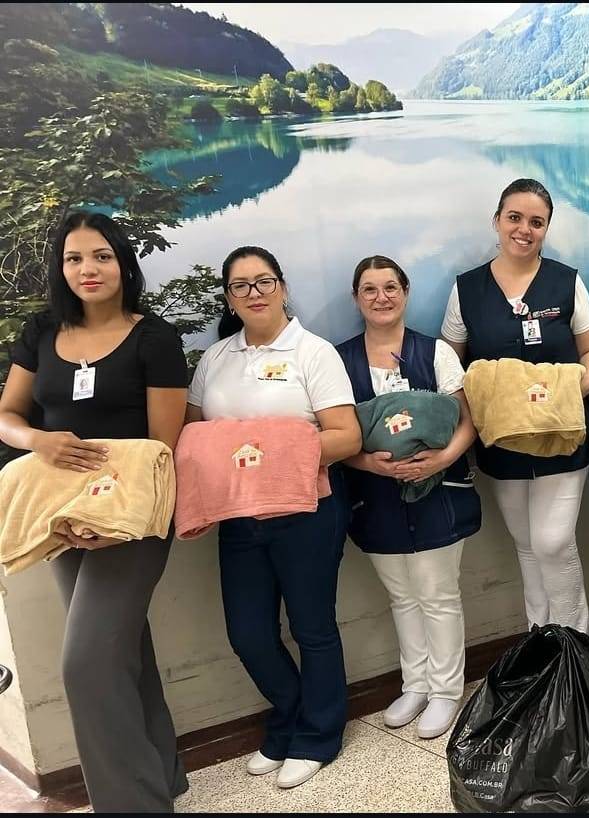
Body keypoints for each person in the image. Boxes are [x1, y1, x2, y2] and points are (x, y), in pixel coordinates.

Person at [0, 211, 189, 812]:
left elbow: (163, 449)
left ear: (123, 263)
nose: (89, 268)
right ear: (62, 268)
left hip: (129, 522)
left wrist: (120, 524)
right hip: (63, 519)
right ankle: (161, 780)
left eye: (102, 256)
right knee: (121, 652)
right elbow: (7, 416)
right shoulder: (41, 331)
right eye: (76, 258)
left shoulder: (154, 338)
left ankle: (130, 806)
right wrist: (38, 441)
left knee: (86, 664)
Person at [186, 247, 362, 788]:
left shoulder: (314, 352)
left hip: (306, 511)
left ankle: (318, 734)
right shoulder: (214, 359)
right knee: (249, 634)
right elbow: (195, 440)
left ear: (283, 288)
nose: (254, 293)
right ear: (229, 298)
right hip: (239, 519)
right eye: (241, 286)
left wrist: (271, 452)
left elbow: (347, 437)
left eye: (264, 281)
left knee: (313, 629)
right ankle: (289, 715)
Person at [442, 178, 589, 634]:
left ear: (546, 228)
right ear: (497, 221)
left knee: (553, 543)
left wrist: (577, 389)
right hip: (502, 441)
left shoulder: (566, 282)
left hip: (561, 435)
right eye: (515, 218)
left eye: (537, 222)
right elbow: (450, 363)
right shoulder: (466, 290)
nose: (524, 229)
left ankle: (576, 646)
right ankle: (541, 643)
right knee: (527, 546)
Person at [337, 255, 481, 740]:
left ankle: (446, 691)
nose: (381, 298)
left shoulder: (434, 352)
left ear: (406, 292)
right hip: (374, 497)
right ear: (356, 298)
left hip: (441, 492)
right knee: (401, 595)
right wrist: (367, 463)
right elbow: (332, 432)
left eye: (390, 288)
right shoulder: (339, 360)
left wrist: (442, 460)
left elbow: (469, 420)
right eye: (370, 289)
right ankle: (415, 684)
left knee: (438, 594)